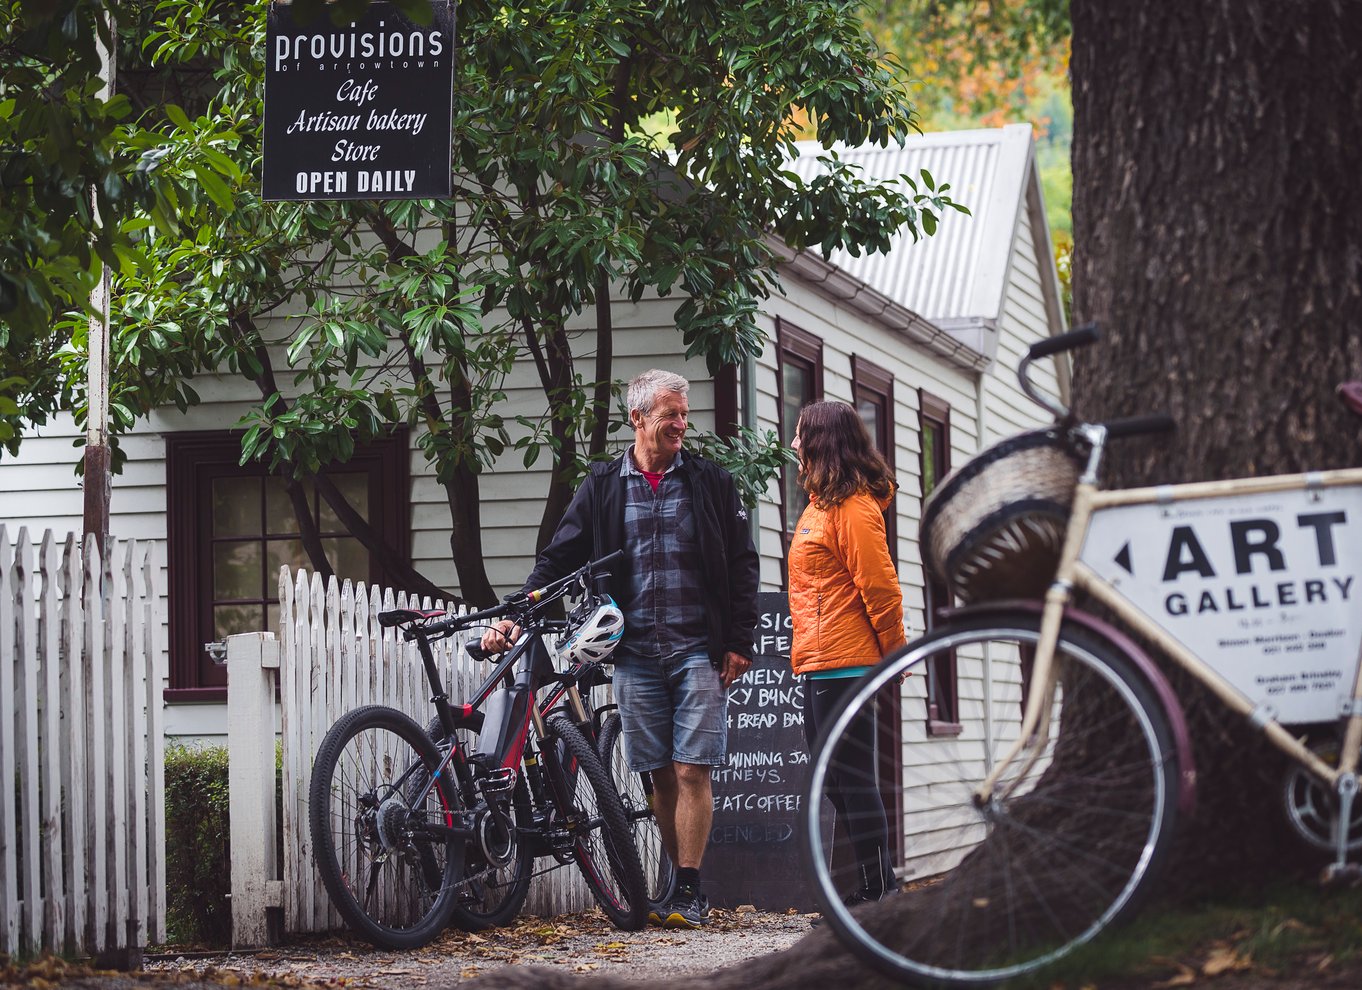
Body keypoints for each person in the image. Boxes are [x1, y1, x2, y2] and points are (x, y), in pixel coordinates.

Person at [482, 369, 759, 929]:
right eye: (670, 415)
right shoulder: (604, 486)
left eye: (684, 414)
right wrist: (515, 610)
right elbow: (557, 558)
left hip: (697, 649)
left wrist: (738, 640)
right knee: (656, 773)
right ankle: (669, 877)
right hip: (632, 654)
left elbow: (741, 563)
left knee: (692, 770)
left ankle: (688, 887)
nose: (682, 424)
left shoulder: (709, 482)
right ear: (638, 419)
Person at [787, 400, 906, 912]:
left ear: (823, 442)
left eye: (800, 436)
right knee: (831, 779)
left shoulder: (855, 508)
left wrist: (894, 657)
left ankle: (878, 891)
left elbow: (881, 588)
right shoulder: (820, 504)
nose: (793, 445)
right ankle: (873, 884)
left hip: (852, 664)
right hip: (817, 662)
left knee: (853, 780)